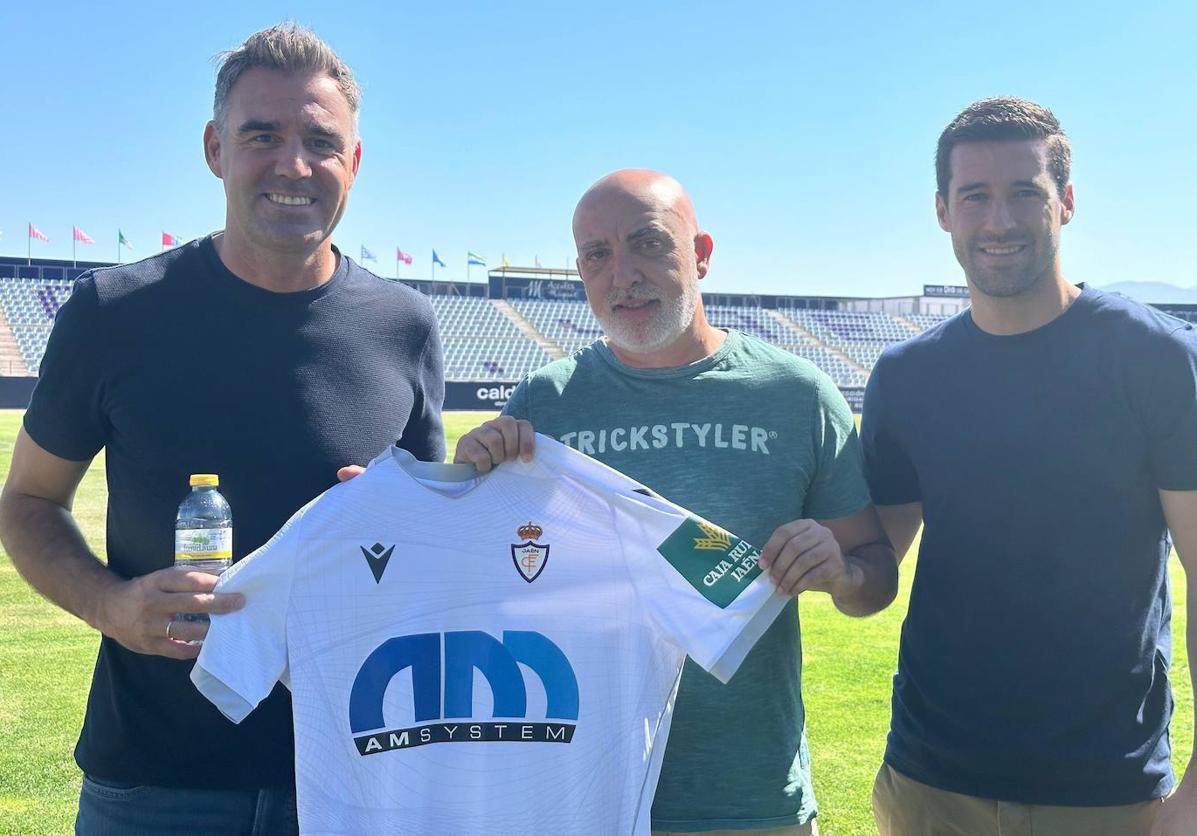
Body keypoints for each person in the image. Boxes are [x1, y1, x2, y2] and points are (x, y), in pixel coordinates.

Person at [0, 24, 444, 834]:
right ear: (214, 147)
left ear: (354, 160)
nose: (293, 165)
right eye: (261, 136)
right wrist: (111, 605)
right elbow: (27, 502)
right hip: (157, 785)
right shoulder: (115, 313)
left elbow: (429, 543)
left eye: (320, 140)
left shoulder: (403, 323)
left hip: (355, 777)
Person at [454, 169, 898, 834]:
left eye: (648, 244)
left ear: (701, 253)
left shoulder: (795, 395)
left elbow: (875, 577)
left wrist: (840, 569)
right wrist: (470, 486)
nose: (622, 275)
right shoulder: (544, 405)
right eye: (597, 254)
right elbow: (481, 584)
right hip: (578, 793)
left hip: (747, 798)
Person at [861, 96, 1197, 835]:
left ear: (1065, 203)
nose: (999, 221)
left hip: (1105, 784)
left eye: (1024, 193)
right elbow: (873, 565)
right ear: (942, 209)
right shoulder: (906, 375)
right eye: (974, 196)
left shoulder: (1154, 360)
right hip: (930, 780)